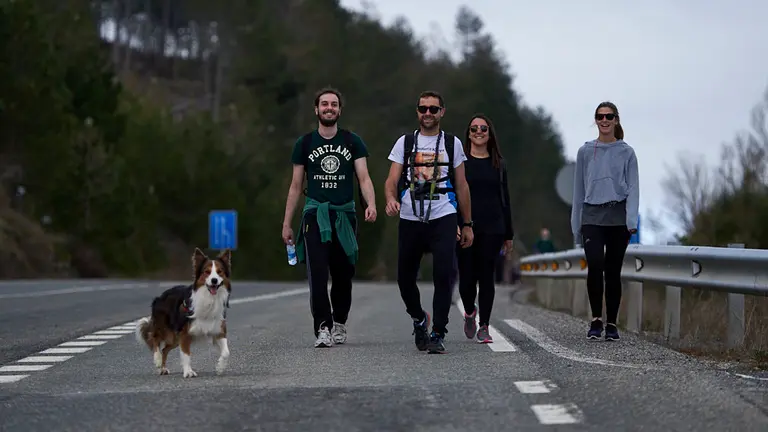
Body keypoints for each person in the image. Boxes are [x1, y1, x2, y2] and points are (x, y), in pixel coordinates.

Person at [282, 87, 377, 348]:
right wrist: (287, 223)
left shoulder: (352, 141)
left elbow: (364, 177)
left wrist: (371, 204)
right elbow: (295, 185)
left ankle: (339, 323)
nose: (329, 108)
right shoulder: (305, 144)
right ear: (316, 109)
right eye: (324, 104)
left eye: (334, 104)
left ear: (339, 110)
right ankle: (322, 327)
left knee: (344, 273)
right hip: (315, 214)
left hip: (344, 216)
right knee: (318, 273)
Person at [384, 90, 474, 354]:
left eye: (433, 109)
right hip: (411, 214)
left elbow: (462, 185)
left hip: (443, 214)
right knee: (404, 277)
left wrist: (467, 223)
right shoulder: (406, 142)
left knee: (443, 274)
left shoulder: (452, 143)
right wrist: (391, 198)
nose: (428, 113)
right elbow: (391, 179)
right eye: (423, 108)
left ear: (442, 112)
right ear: (417, 112)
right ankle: (419, 318)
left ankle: (438, 332)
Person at [571, 101, 639, 342]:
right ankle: (596, 320)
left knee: (613, 271)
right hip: (591, 216)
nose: (605, 120)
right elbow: (578, 190)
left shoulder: (627, 152)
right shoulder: (585, 151)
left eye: (609, 116)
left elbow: (633, 187)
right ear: (596, 120)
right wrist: (575, 226)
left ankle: (611, 323)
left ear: (616, 119)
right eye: (600, 116)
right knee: (595, 264)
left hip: (617, 216)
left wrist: (631, 219)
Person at [456, 114, 514, 344]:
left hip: (493, 226)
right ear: (468, 134)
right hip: (466, 227)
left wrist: (509, 233)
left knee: (486, 275)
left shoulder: (498, 163)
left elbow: (505, 199)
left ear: (490, 134)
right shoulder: (460, 162)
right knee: (467, 278)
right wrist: (457, 224)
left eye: (483, 128)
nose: (479, 132)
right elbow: (454, 195)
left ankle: (484, 325)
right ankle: (470, 311)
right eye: (474, 129)